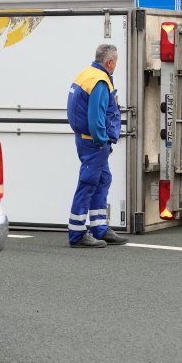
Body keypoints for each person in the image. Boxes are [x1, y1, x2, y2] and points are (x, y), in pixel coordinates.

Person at [66, 44, 128, 248]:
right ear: (109, 62)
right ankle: (77, 234)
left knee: (102, 180)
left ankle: (99, 228)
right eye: (116, 62)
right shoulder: (100, 81)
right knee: (89, 183)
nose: (116, 65)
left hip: (85, 139)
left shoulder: (87, 74)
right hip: (94, 142)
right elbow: (96, 119)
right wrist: (103, 141)